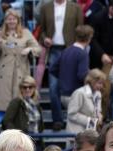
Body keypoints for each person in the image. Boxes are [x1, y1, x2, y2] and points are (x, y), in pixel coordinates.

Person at [36, 0, 85, 130]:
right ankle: (57, 120)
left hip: (71, 49)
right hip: (53, 50)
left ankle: (73, 119)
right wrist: (45, 38)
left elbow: (81, 29)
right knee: (53, 87)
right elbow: (41, 30)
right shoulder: (46, 7)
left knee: (74, 87)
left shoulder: (75, 8)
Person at [0, 9, 40, 112]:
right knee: (3, 101)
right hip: (3, 71)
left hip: (20, 69)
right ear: (5, 21)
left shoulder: (25, 33)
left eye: (14, 19)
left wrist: (29, 49)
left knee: (19, 98)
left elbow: (38, 49)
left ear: (18, 20)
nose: (11, 21)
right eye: (9, 19)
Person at [66, 68, 107, 134]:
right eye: (99, 83)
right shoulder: (79, 93)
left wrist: (99, 116)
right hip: (76, 132)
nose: (101, 86)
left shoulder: (98, 93)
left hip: (90, 133)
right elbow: (71, 114)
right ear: (91, 81)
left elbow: (97, 110)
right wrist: (91, 121)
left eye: (102, 84)